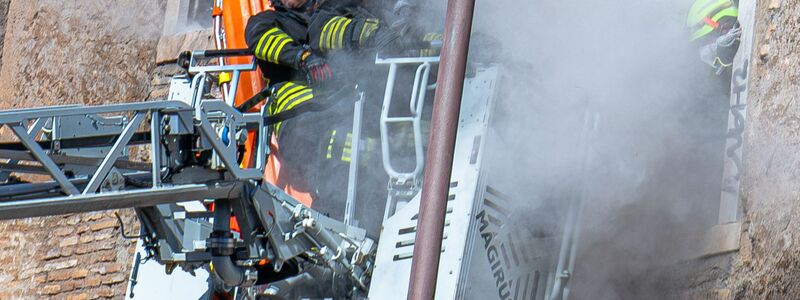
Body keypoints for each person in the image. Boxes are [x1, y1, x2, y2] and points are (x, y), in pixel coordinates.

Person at [686, 0, 742, 76]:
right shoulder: (705, 51)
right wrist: (722, 47)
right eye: (725, 27)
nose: (730, 28)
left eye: (731, 20)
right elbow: (710, 52)